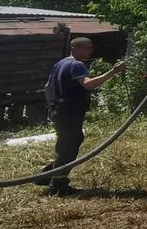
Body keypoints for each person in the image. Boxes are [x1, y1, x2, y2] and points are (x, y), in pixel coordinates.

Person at [38, 37, 125, 196]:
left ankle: (47, 176)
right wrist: (113, 72)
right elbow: (89, 84)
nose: (90, 51)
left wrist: (52, 105)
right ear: (75, 48)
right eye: (87, 48)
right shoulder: (77, 65)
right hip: (69, 112)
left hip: (59, 111)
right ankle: (56, 184)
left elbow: (47, 87)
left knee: (70, 142)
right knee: (67, 147)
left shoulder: (61, 63)